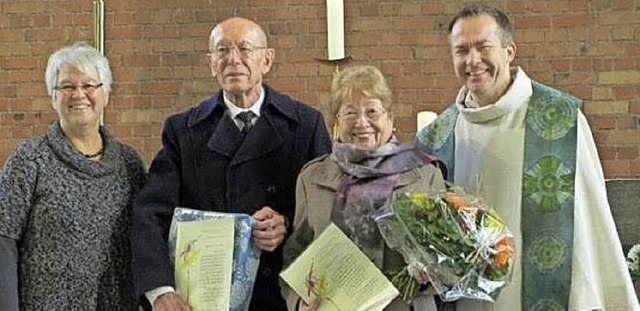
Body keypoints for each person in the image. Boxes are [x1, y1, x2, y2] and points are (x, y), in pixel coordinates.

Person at [416, 4, 640, 310]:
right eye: (461, 50)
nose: (472, 60)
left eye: (483, 46)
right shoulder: (438, 136)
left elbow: (592, 223)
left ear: (509, 52)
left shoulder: (559, 121)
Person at [130, 17, 331, 310]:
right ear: (211, 63)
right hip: (206, 299)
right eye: (222, 50)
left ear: (267, 60)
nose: (233, 60)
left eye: (245, 49)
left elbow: (327, 214)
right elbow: (150, 214)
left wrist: (285, 223)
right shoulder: (182, 131)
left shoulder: (305, 125)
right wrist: (161, 291)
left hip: (284, 296)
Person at [282, 65, 449, 311]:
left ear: (390, 118)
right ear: (335, 122)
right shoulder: (312, 178)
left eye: (372, 111)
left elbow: (449, 257)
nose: (362, 123)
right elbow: (295, 254)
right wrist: (298, 302)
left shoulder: (424, 174)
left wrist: (429, 276)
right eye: (350, 113)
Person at [0, 42, 147, 310]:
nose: (79, 94)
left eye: (89, 85)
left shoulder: (129, 164)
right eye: (67, 86)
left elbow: (145, 240)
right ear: (53, 97)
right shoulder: (29, 160)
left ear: (105, 94)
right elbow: (4, 238)